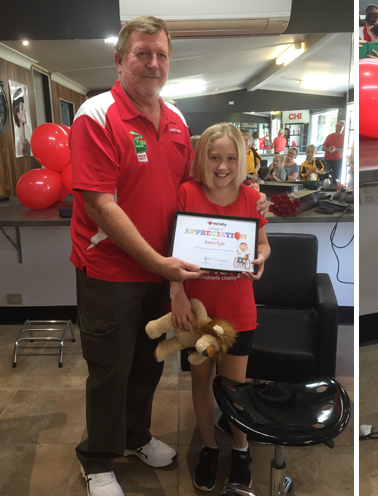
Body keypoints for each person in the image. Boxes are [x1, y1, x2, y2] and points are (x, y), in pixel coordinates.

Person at [69, 15, 268, 496]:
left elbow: (196, 187)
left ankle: (135, 437)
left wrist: (251, 197)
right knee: (110, 369)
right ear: (120, 60)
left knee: (148, 362)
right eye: (142, 53)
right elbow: (101, 203)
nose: (153, 63)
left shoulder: (177, 120)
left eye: (161, 54)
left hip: (165, 270)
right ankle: (96, 459)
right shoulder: (95, 116)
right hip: (112, 272)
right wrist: (160, 264)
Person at [171, 123, 270, 492]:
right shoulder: (187, 192)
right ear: (203, 157)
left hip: (238, 310)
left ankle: (241, 450)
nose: (223, 166)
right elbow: (174, 251)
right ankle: (210, 448)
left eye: (230, 158)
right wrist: (176, 293)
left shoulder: (251, 198)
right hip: (197, 311)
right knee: (200, 381)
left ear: (241, 159)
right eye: (215, 157)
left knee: (233, 387)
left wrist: (260, 257)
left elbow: (263, 243)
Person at [12, 88, 30, 157]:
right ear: (18, 115)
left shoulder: (26, 141)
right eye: (22, 108)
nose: (24, 111)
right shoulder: (19, 143)